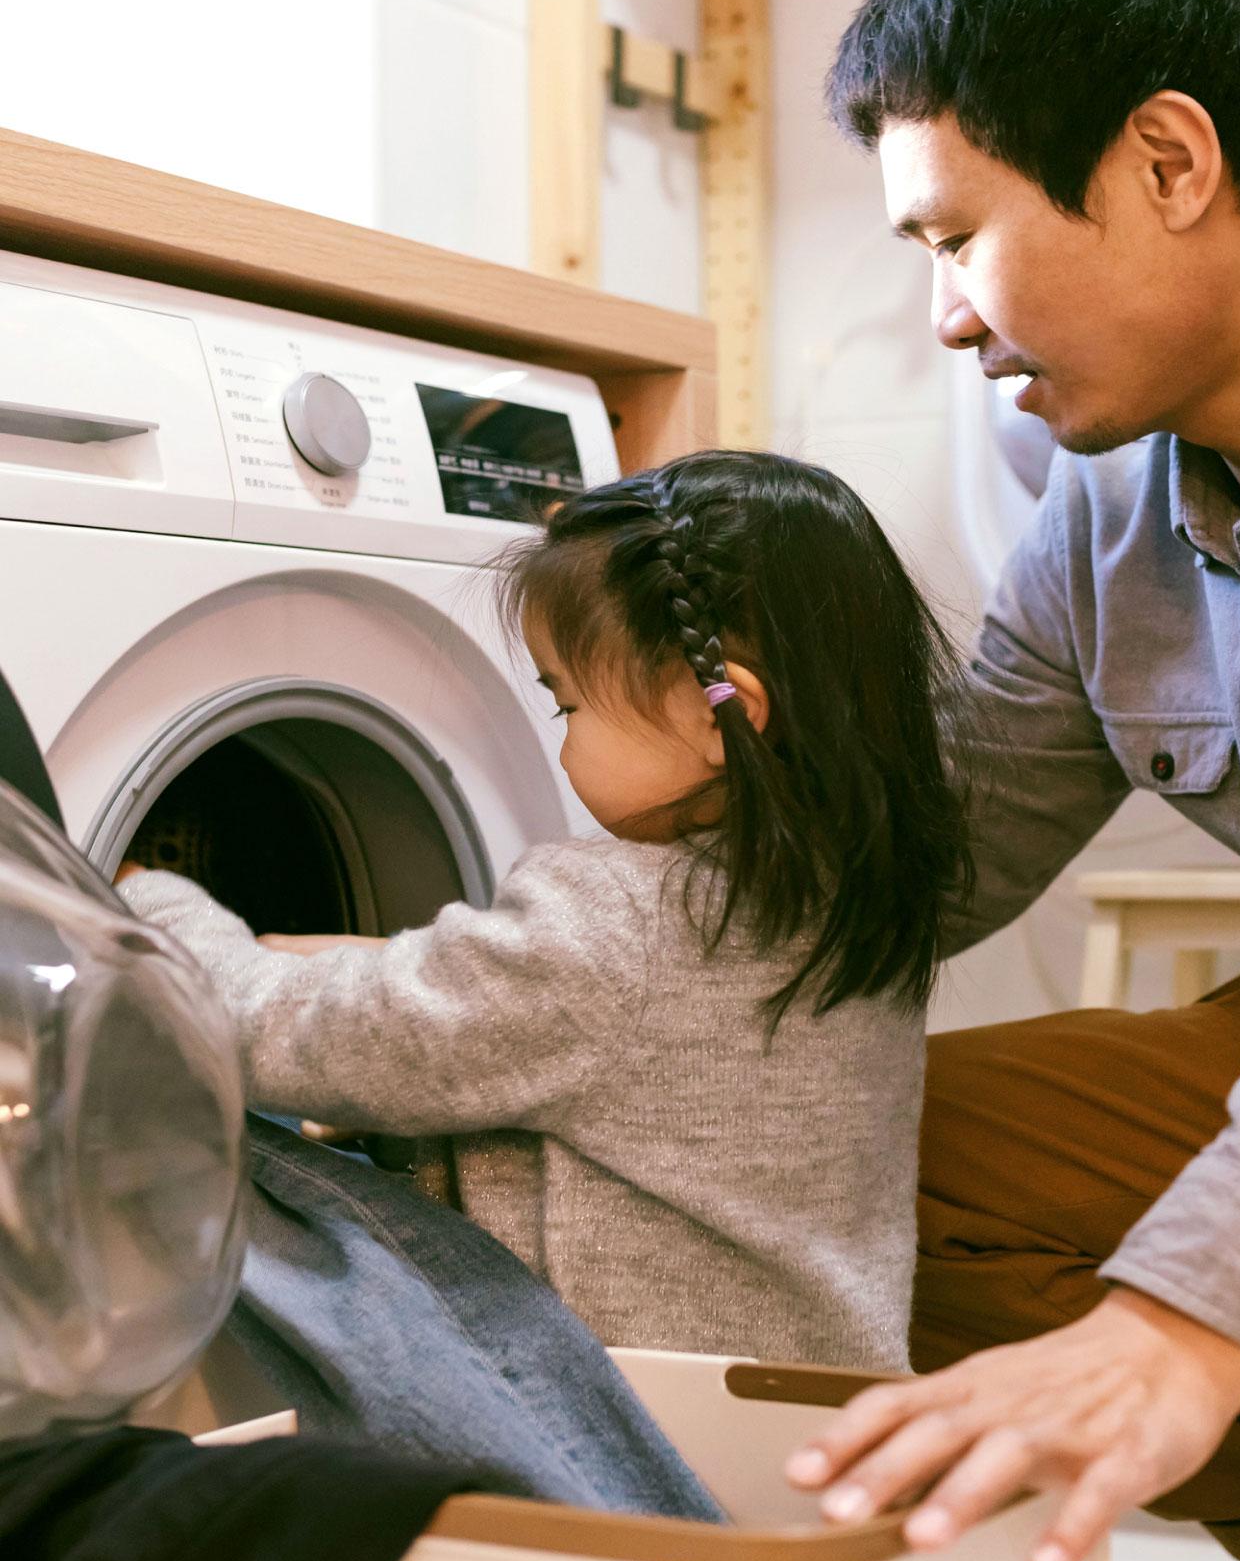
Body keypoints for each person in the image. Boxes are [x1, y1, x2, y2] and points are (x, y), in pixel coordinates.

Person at [782, 0, 1240, 1561]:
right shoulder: (1106, 519)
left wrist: (1187, 1319)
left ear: (1164, 162)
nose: (948, 315)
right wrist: (477, 999)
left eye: (958, 235)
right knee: (857, 1165)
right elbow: (929, 859)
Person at [118, 450, 974, 1371]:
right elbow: (588, 1032)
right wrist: (377, 961)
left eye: (567, 703)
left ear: (714, 713)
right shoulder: (850, 903)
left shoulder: (612, 922)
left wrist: (140, 900)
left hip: (621, 1429)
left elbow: (273, 1032)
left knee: (227, 1147)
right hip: (804, 1405)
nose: (563, 740)